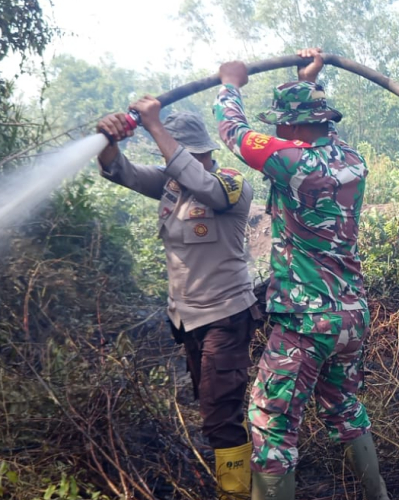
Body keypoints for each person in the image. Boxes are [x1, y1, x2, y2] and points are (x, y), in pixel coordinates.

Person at [212, 48, 389, 500]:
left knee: (271, 426)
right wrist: (306, 80)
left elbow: (233, 130)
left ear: (291, 127)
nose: (276, 130)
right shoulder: (350, 159)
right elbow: (316, 129)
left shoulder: (292, 161)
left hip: (307, 322)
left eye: (280, 124)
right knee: (344, 405)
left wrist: (230, 84)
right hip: (351, 315)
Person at [96, 103, 259, 499]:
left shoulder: (230, 184)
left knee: (220, 415)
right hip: (188, 319)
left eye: (170, 151)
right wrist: (109, 143)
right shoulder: (172, 186)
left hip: (226, 316)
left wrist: (154, 126)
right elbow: (124, 173)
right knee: (213, 406)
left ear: (193, 151)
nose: (167, 162)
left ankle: (236, 494)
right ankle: (250, 475)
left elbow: (205, 187)